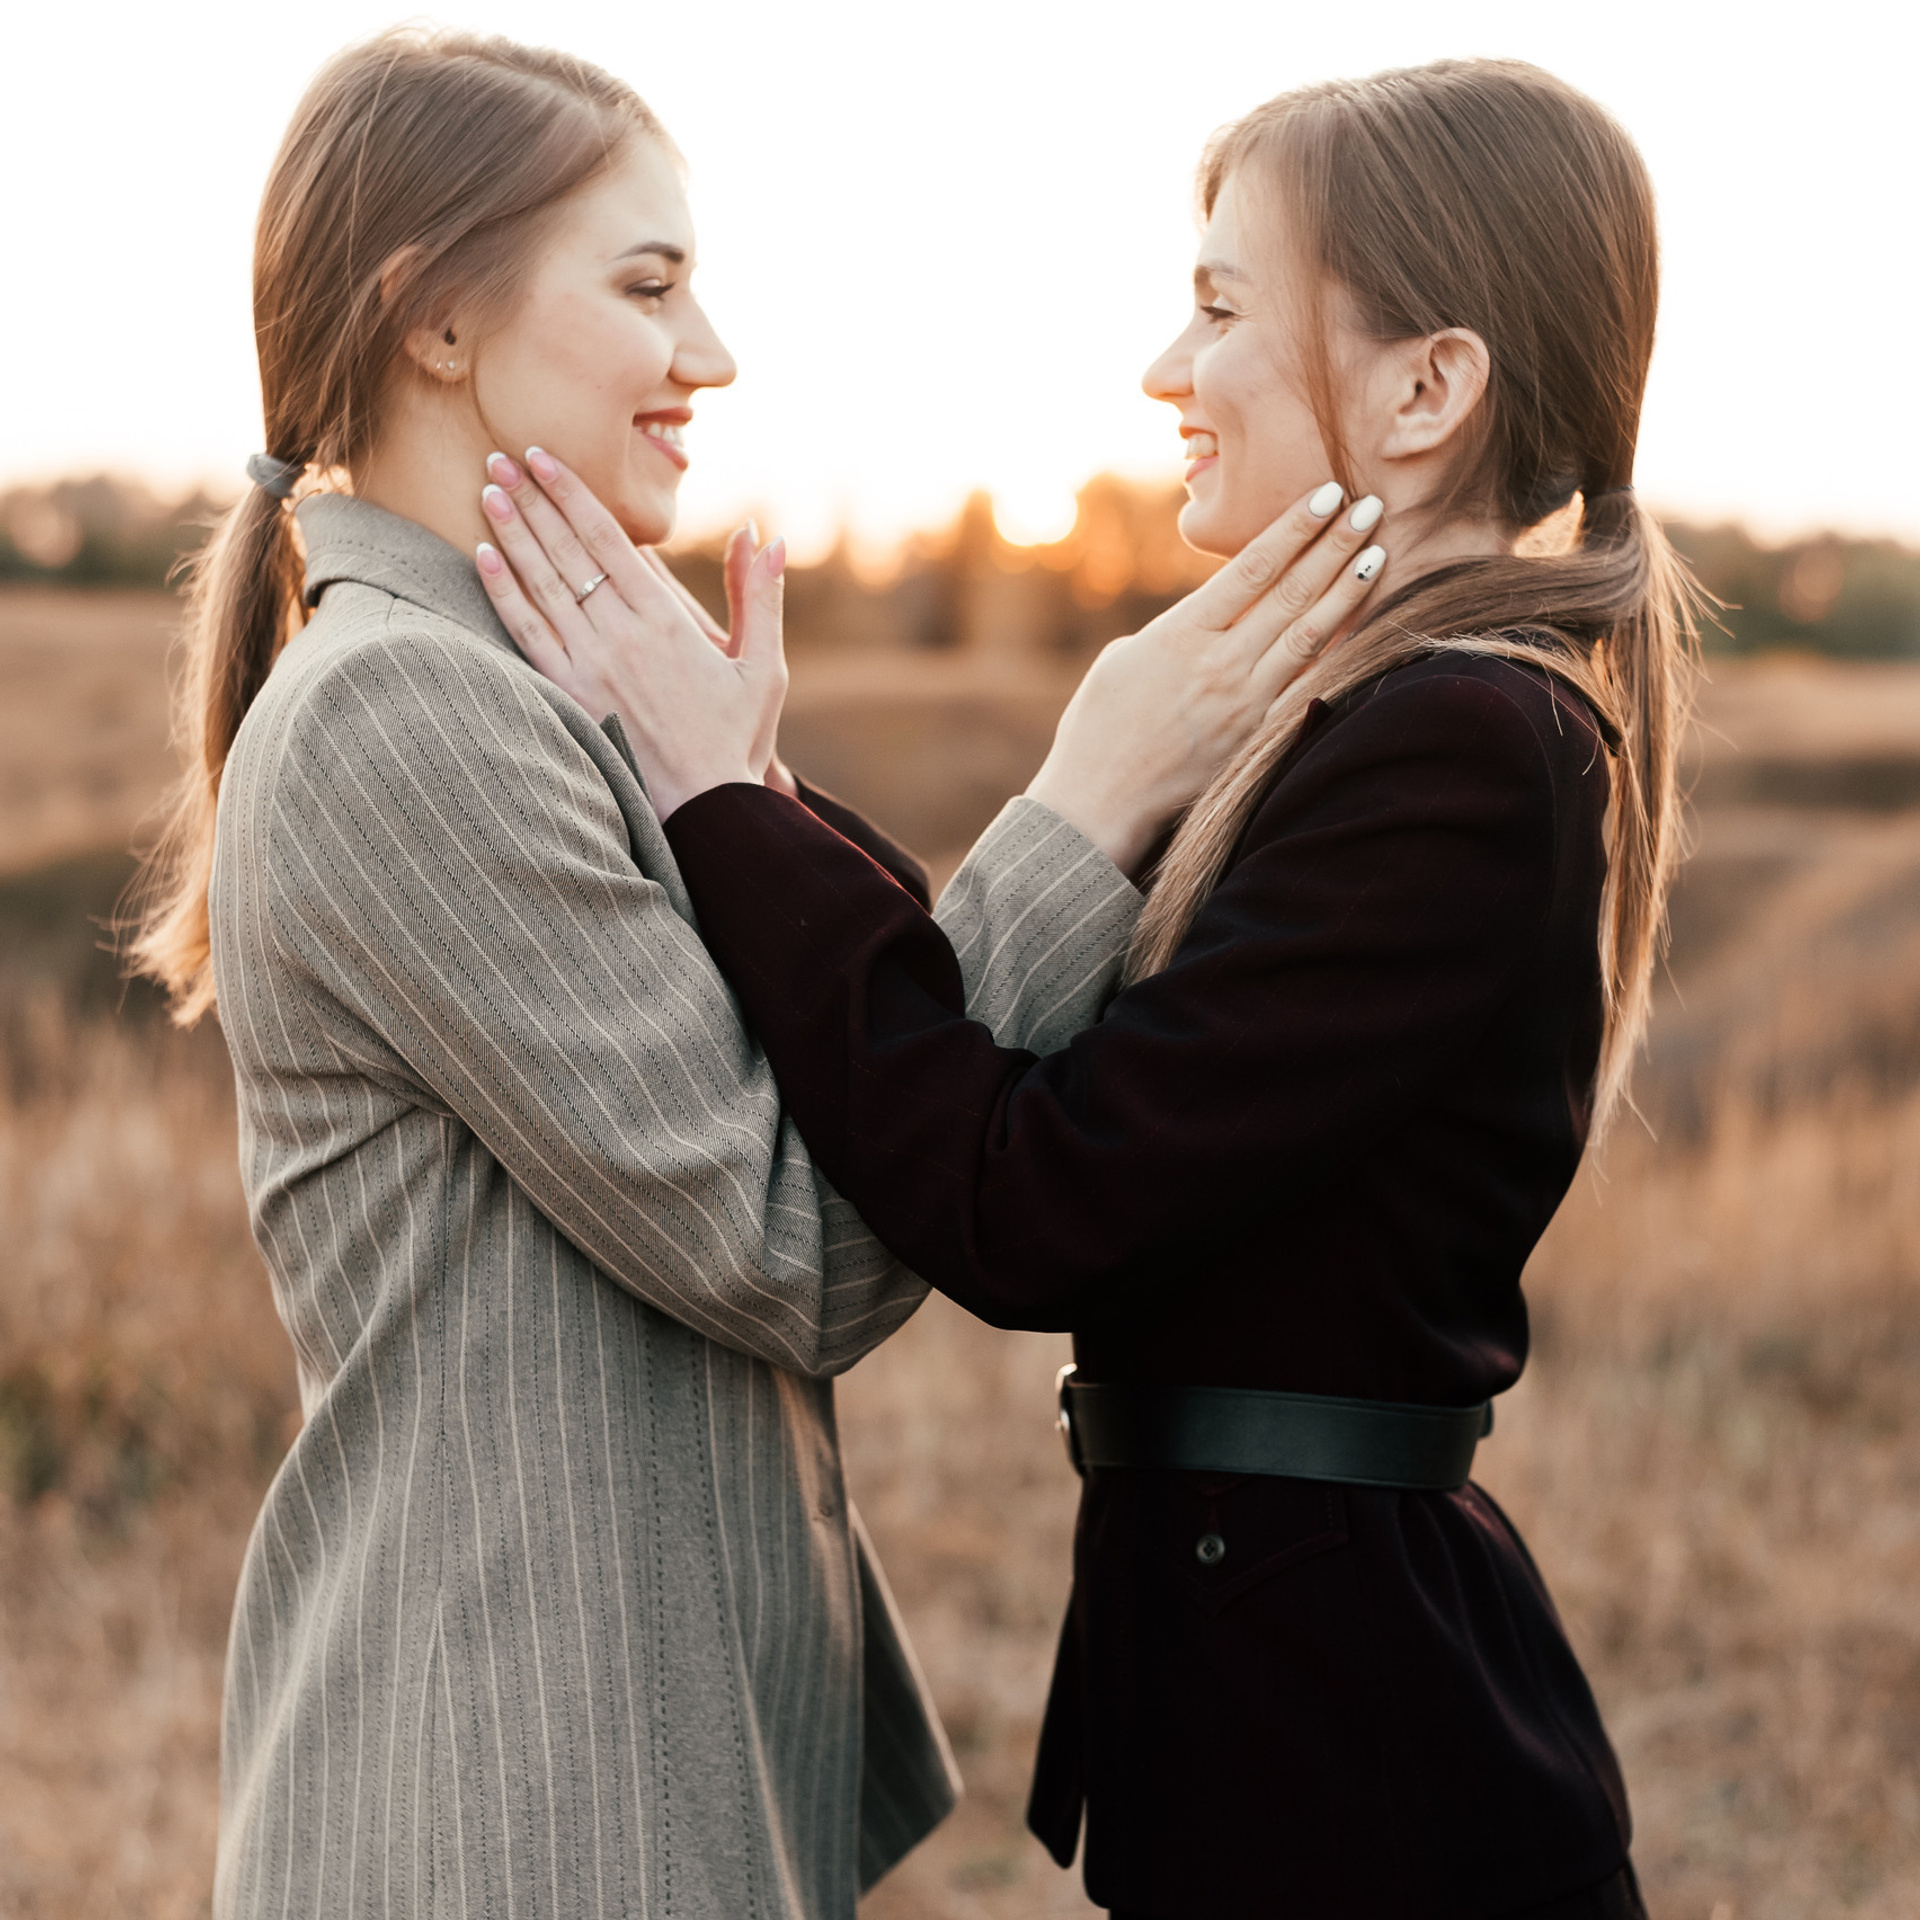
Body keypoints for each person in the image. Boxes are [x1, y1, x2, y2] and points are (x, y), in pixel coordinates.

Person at [126, 26, 1386, 1918]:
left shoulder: (528, 697)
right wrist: (1088, 800)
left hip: (611, 1774)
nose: (707, 354)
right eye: (649, 286)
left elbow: (805, 1069)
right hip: (514, 1810)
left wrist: (744, 795)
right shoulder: (401, 714)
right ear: (435, 319)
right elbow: (801, 1246)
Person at [483, 57, 1702, 1920]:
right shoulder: (1387, 725)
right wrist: (750, 784)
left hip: (1359, 1770)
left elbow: (1032, 1190)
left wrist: (723, 801)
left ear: (1427, 390)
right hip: (1288, 1689)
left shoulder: (1461, 749)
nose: (1163, 371)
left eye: (1219, 309)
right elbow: (997, 1051)